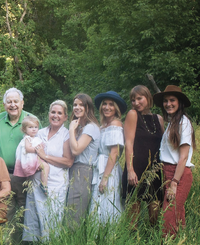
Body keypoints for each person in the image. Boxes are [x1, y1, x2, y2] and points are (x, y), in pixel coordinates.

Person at [0, 87, 40, 243]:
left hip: (27, 176)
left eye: (16, 101)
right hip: (3, 175)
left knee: (27, 210)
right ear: (5, 104)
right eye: (9, 102)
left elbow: (41, 143)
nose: (12, 105)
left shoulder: (31, 120)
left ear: (22, 103)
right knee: (7, 211)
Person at [23, 100, 74, 242]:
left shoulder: (66, 135)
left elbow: (68, 162)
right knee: (33, 216)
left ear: (65, 117)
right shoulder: (39, 132)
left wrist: (45, 157)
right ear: (48, 114)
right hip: (37, 181)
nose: (55, 115)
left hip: (55, 183)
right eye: (53, 112)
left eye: (59, 113)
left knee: (51, 218)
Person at [153, 85, 195, 237]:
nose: (168, 104)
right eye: (165, 101)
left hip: (180, 174)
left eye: (172, 100)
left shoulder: (184, 123)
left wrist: (174, 182)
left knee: (168, 214)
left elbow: (183, 157)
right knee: (177, 212)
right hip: (168, 171)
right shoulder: (172, 122)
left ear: (180, 103)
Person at [122, 85, 164, 228]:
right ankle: (131, 244)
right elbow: (129, 143)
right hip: (136, 168)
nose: (136, 103)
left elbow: (163, 146)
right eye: (133, 100)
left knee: (155, 214)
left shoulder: (159, 119)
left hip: (155, 169)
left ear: (148, 97)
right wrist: (130, 169)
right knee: (133, 215)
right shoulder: (133, 115)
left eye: (139, 98)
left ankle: (152, 243)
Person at [89, 91, 127, 223]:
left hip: (108, 168)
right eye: (104, 104)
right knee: (98, 200)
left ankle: (111, 236)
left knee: (108, 200)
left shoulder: (115, 125)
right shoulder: (103, 126)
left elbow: (114, 153)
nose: (107, 107)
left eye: (111, 104)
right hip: (99, 166)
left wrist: (105, 177)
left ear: (116, 108)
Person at [66, 93, 100, 228]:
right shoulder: (80, 127)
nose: (77, 107)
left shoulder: (90, 127)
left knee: (75, 210)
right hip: (74, 169)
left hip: (83, 170)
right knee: (70, 207)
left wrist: (70, 130)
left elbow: (76, 150)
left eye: (81, 105)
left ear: (88, 107)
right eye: (75, 105)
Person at [14, 116, 50, 195]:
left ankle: (43, 184)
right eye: (30, 127)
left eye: (35, 127)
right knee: (46, 166)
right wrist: (38, 150)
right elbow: (28, 148)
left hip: (35, 159)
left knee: (45, 167)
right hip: (30, 160)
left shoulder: (34, 138)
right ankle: (44, 184)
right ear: (24, 129)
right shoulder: (27, 138)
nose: (34, 129)